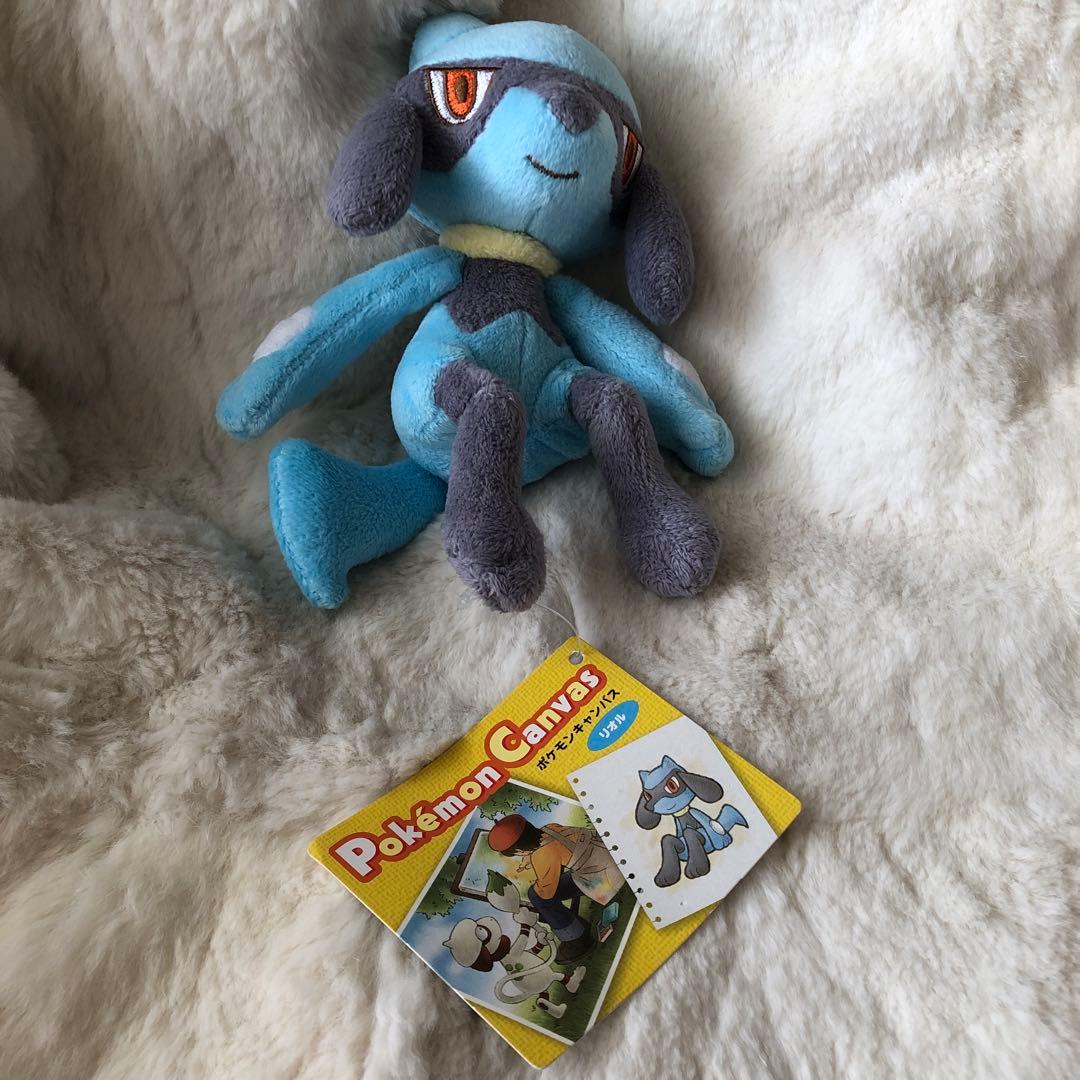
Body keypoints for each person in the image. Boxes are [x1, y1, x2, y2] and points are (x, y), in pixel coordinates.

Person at [487, 814, 623, 964]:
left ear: (519, 850)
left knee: (537, 897)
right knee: (549, 890)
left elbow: (546, 893)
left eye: (515, 854)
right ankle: (574, 924)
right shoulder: (550, 828)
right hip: (610, 859)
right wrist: (532, 859)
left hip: (605, 880)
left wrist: (538, 877)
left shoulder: (542, 854)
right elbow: (557, 847)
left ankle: (577, 939)